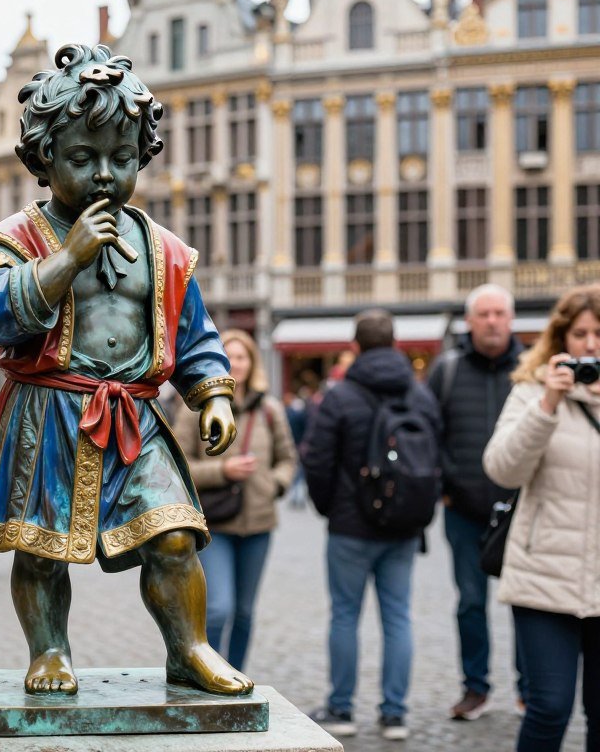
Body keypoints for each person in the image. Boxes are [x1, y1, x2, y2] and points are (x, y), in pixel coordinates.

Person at [0, 43, 250, 697]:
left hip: (134, 418)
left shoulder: (163, 248)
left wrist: (213, 395)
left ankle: (189, 648)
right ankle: (49, 651)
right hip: (47, 415)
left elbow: (190, 331)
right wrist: (66, 260)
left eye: (121, 159)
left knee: (174, 536)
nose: (105, 176)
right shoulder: (16, 239)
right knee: (40, 548)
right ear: (44, 159)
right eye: (83, 160)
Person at [301, 309, 441, 741]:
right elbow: (437, 455)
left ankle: (341, 708)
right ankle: (394, 713)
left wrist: (330, 509)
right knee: (398, 617)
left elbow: (318, 461)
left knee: (345, 615)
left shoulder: (341, 397)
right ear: (396, 343)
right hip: (403, 526)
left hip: (350, 526)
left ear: (355, 346)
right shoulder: (419, 395)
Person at [483, 284, 600, 752]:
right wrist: (548, 406)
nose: (590, 345)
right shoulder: (532, 391)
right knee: (549, 707)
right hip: (543, 575)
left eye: (598, 334)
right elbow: (501, 468)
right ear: (562, 340)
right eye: (580, 334)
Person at [426, 283, 527, 720]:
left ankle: (531, 688)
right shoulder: (446, 370)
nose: (491, 321)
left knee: (529, 601)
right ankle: (475, 688)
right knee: (470, 602)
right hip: (463, 510)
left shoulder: (531, 370)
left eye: (499, 314)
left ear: (511, 319)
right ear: (469, 321)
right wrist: (447, 485)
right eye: (483, 314)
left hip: (523, 510)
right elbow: (430, 433)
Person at [174, 329, 296, 671]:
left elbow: (288, 459)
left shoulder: (269, 409)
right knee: (218, 608)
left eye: (243, 357)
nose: (236, 364)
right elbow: (178, 465)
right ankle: (209, 670)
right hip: (216, 524)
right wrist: (223, 470)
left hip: (259, 524)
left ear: (252, 362)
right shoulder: (194, 408)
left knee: (244, 611)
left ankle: (237, 673)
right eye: (229, 356)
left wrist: (276, 484)